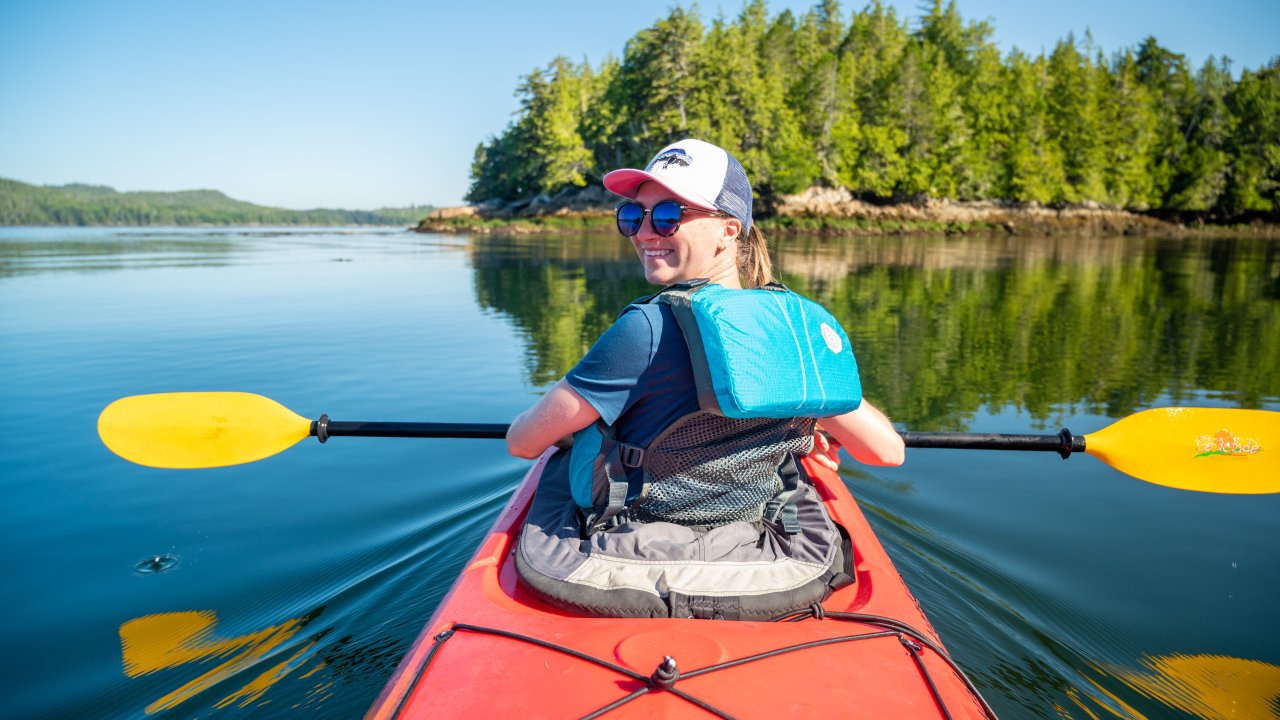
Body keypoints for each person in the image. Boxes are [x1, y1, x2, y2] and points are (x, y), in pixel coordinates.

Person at [506, 138, 904, 476]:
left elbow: (523, 443)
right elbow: (886, 452)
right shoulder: (791, 327)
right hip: (757, 536)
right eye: (632, 215)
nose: (644, 232)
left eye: (667, 215)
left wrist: (573, 426)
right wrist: (806, 428)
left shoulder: (643, 329)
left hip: (648, 541)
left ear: (729, 230)